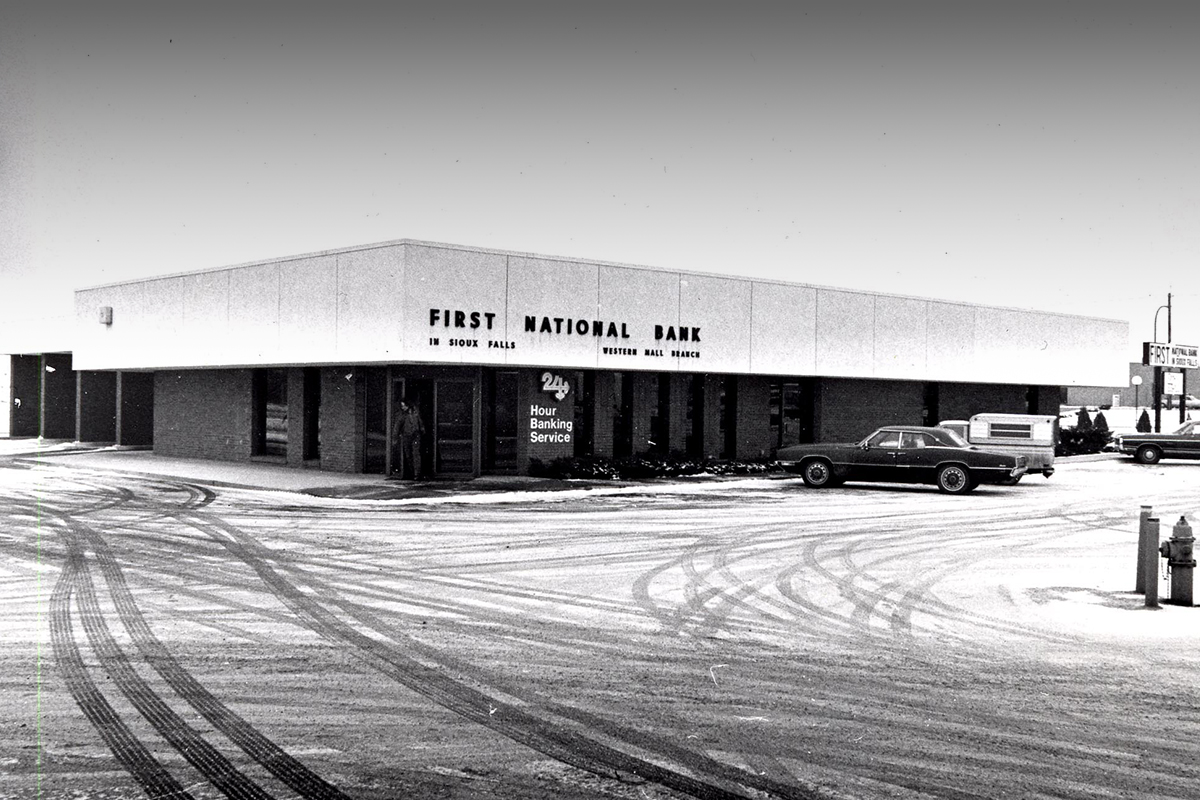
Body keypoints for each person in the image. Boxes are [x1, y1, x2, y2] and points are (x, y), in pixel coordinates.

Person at [393, 399, 426, 479]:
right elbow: (397, 426)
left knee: (415, 454)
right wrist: (395, 436)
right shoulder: (402, 415)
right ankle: (413, 472)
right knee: (409, 455)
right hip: (407, 435)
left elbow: (420, 422)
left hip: (415, 435)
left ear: (407, 405)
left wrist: (422, 430)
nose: (402, 407)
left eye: (403, 405)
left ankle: (416, 473)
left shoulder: (415, 412)